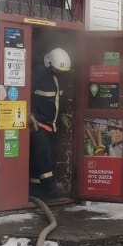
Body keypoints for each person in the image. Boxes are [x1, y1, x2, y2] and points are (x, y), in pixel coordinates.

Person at [30, 47, 71, 200]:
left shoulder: (59, 79)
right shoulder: (38, 76)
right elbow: (25, 94)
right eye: (56, 69)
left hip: (52, 126)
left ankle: (36, 189)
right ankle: (49, 190)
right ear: (49, 63)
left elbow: (59, 101)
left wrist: (64, 117)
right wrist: (30, 116)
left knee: (45, 158)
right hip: (38, 125)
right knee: (44, 158)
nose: (59, 73)